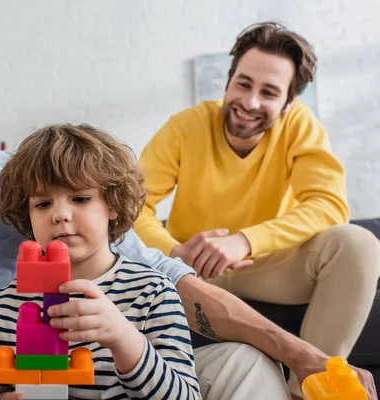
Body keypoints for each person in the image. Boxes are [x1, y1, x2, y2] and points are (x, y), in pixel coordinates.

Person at [0, 34, 375, 400]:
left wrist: (298, 352)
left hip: (115, 367)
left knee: (245, 363)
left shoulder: (37, 178)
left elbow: (163, 280)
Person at [134, 21, 380, 398]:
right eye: (244, 84)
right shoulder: (186, 126)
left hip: (269, 267)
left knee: (359, 244)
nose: (249, 102)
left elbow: (329, 203)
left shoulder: (300, 126)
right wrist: (174, 252)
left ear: (289, 102)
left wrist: (245, 241)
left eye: (269, 92)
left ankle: (308, 388)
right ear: (229, 80)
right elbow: (132, 206)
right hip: (193, 272)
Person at [0, 124, 201, 400]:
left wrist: (122, 336)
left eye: (80, 198)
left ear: (112, 205)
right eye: (42, 204)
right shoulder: (8, 304)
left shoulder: (153, 292)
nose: (60, 214)